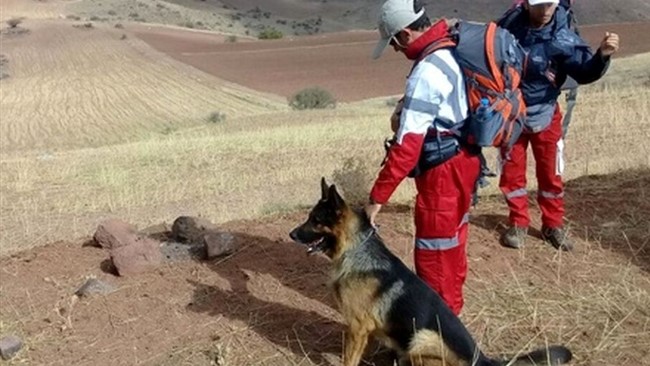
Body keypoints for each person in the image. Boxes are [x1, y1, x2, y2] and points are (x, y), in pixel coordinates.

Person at [364, 0, 480, 315]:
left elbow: (406, 148)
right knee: (453, 249)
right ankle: (454, 318)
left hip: (442, 172)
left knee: (435, 257)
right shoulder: (449, 48)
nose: (396, 51)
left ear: (404, 34)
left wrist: (376, 200)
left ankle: (439, 341)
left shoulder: (426, 72)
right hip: (464, 160)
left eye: (393, 44)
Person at [496, 0, 620, 251]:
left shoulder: (563, 36)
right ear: (527, 5)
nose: (545, 11)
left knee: (551, 173)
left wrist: (602, 56)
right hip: (512, 113)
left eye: (550, 5)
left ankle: (552, 224)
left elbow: (584, 71)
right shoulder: (507, 28)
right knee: (511, 172)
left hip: (547, 112)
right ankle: (518, 222)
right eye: (540, 5)